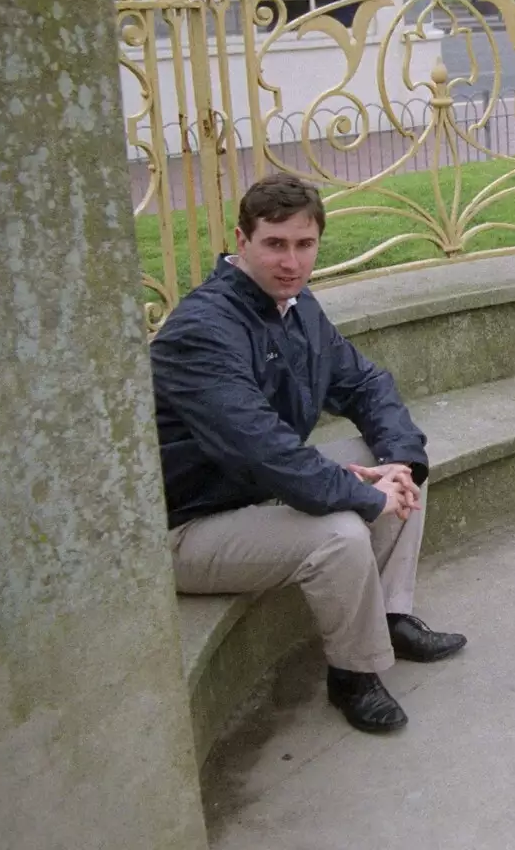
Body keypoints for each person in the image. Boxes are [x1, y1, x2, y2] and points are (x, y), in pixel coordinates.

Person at [149, 173, 465, 734]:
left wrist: (396, 465)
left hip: (250, 491)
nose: (291, 261)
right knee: (339, 534)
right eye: (274, 244)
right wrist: (358, 492)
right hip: (190, 525)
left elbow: (366, 385)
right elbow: (260, 450)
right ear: (241, 241)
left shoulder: (296, 306)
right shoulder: (202, 330)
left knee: (396, 461)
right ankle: (353, 677)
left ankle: (389, 617)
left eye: (304, 244)